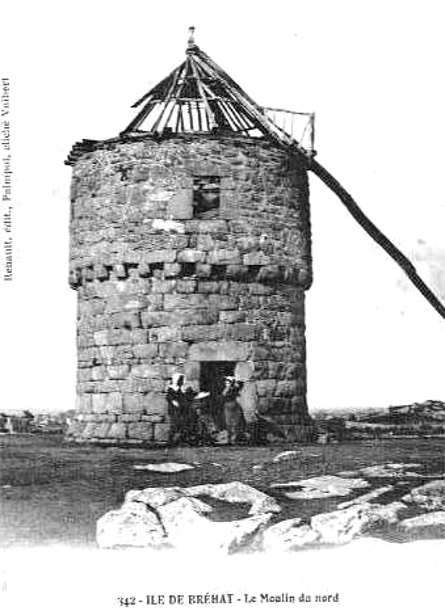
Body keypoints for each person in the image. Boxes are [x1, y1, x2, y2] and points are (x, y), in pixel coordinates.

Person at [221, 376, 246, 445]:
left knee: (234, 422)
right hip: (229, 405)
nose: (226, 383)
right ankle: (230, 439)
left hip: (232, 404)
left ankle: (233, 439)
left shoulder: (232, 389)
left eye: (227, 381)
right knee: (230, 422)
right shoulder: (228, 389)